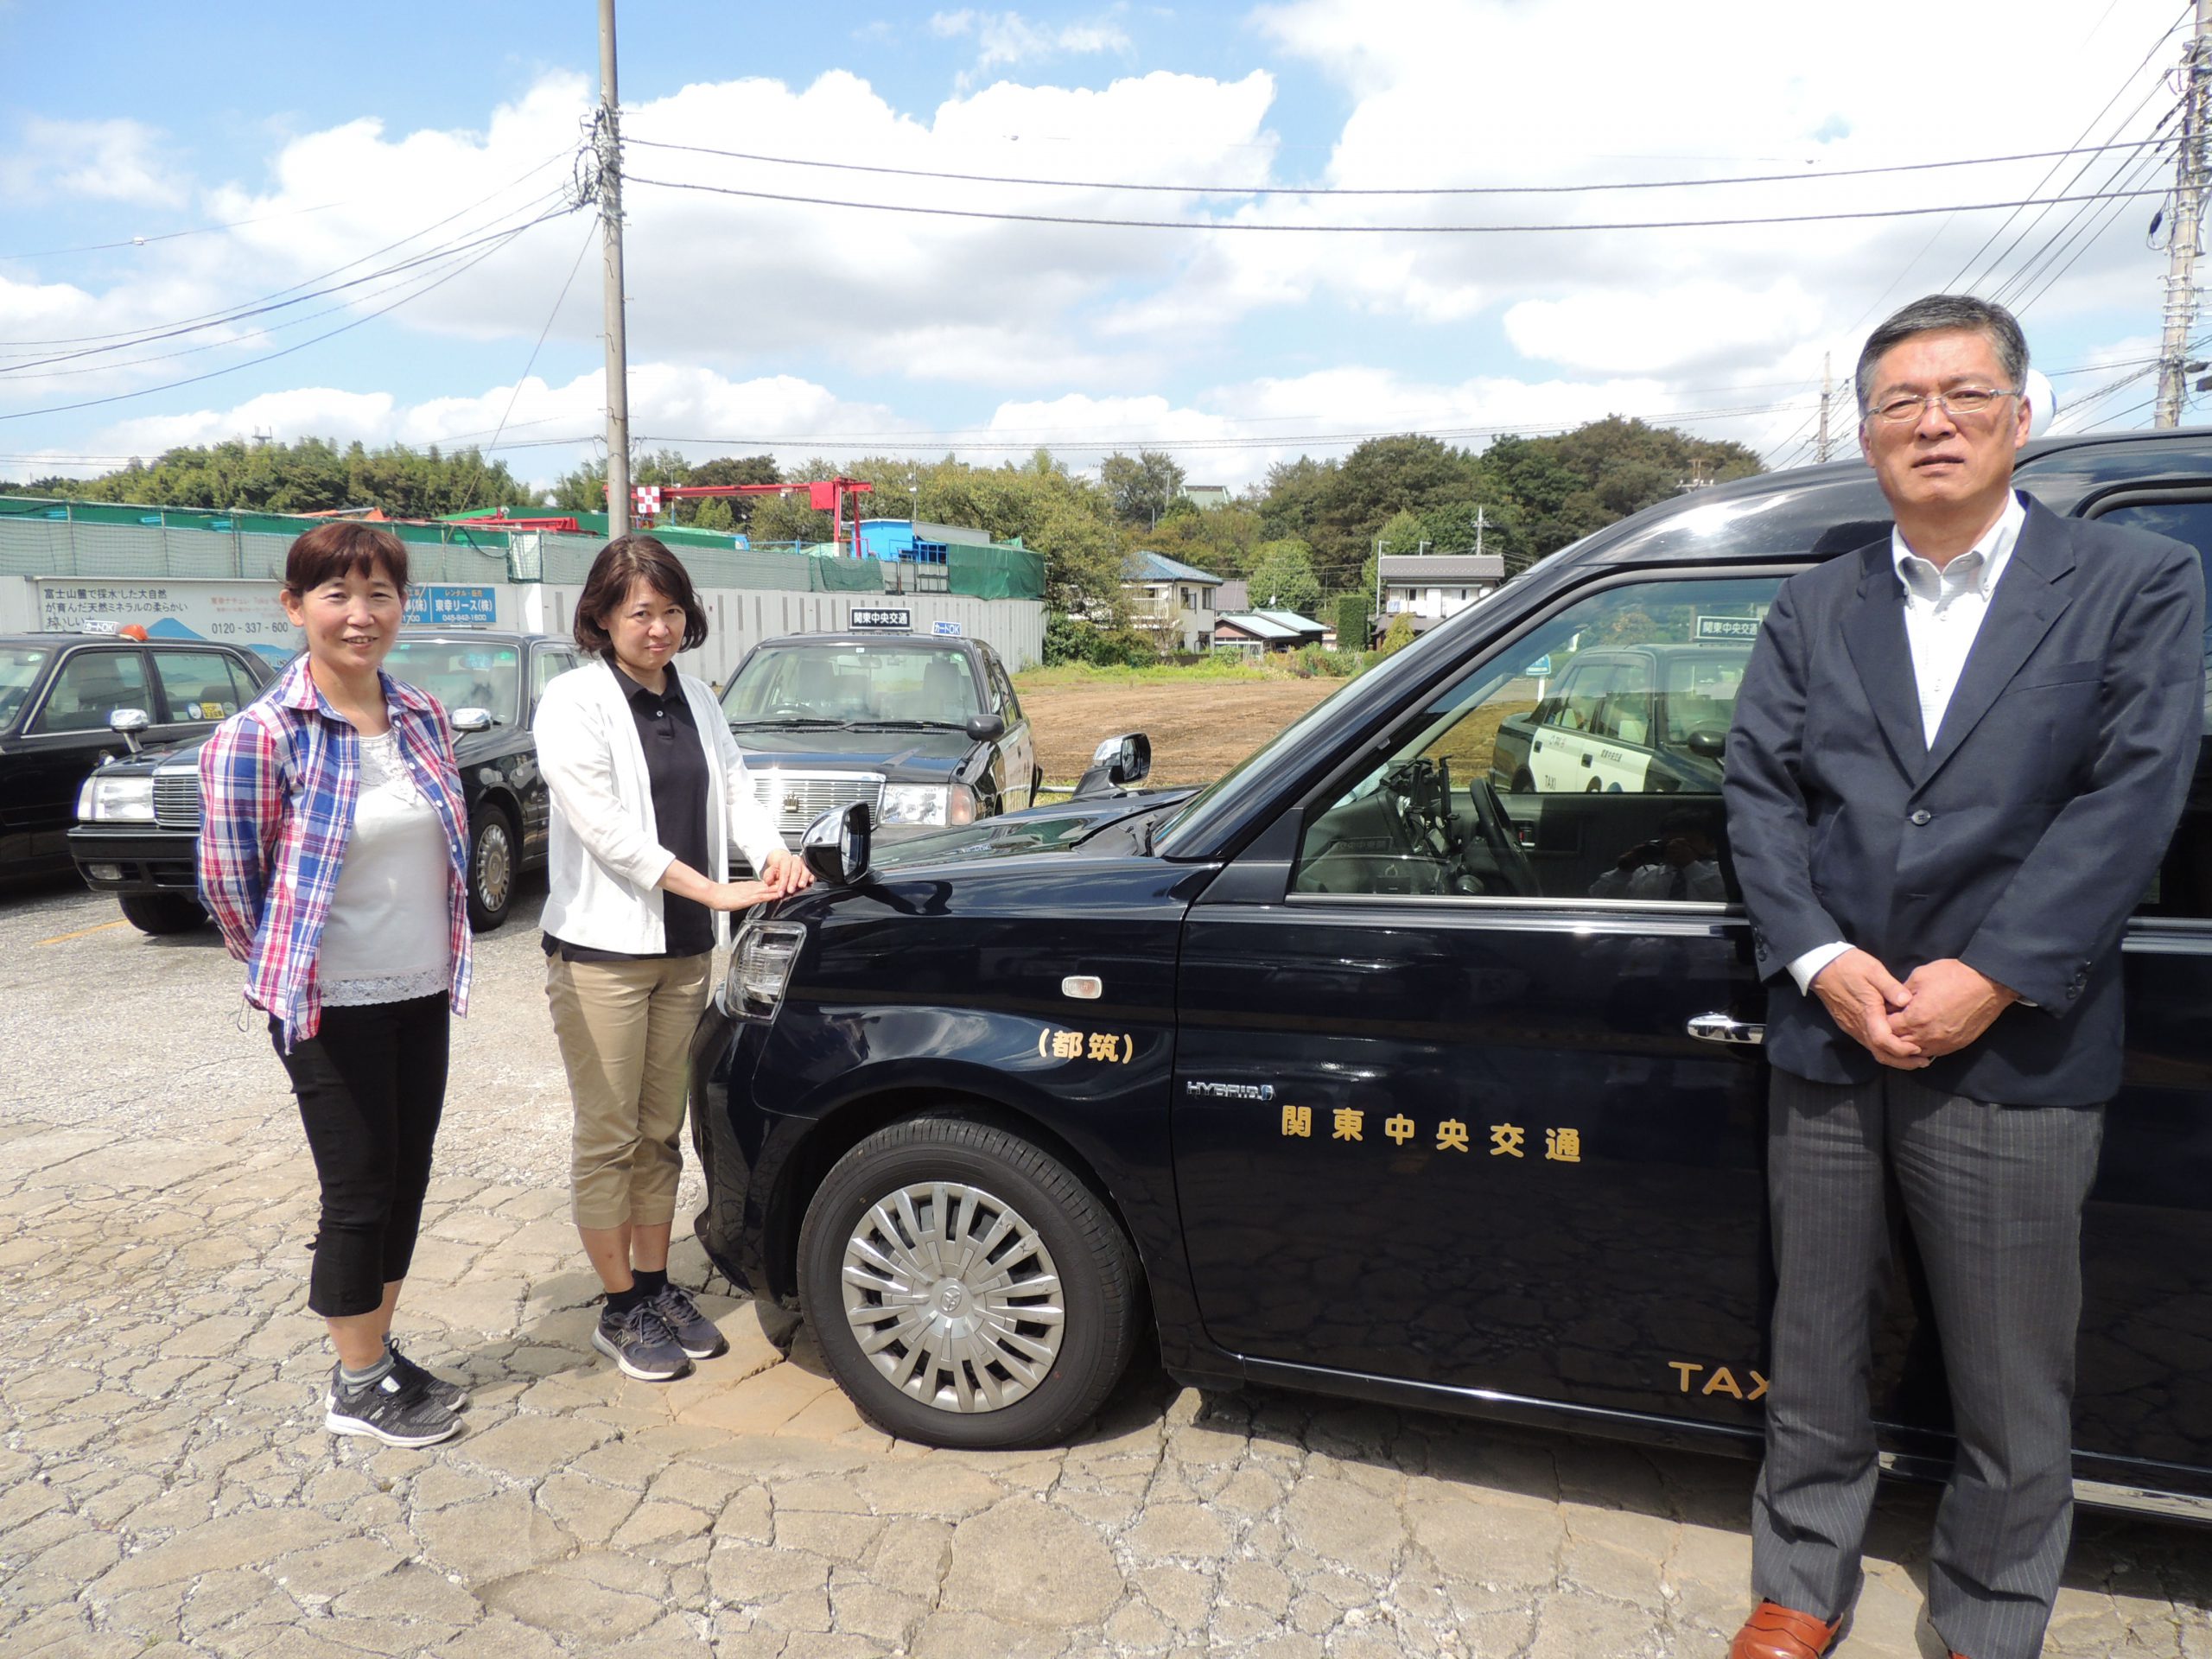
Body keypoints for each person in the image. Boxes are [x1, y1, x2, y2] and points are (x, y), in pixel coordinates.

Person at [1722, 295, 2203, 1659]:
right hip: (1833, 1036)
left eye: (1965, 395)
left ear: (2021, 415)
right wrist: (1817, 959)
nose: (1932, 422)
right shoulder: (1818, 602)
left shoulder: (2130, 584)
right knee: (1814, 1340)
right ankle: (1803, 1580)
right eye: (1901, 402)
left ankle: (1992, 1616)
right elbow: (1757, 794)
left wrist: (1992, 972)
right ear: (1867, 432)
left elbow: (2133, 797)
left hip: (2017, 1043)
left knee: (2008, 1369)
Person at [198, 522, 476, 1449]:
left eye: (380, 595)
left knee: (406, 1176)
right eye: (337, 595)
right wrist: (287, 971)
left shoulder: (423, 716)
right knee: (356, 1189)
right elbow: (230, 885)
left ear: (403, 604)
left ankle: (378, 1351)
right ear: (295, 606)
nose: (361, 616)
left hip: (422, 987)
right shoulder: (255, 737)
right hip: (327, 1004)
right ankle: (356, 1383)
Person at [534, 535, 815, 1382]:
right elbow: (607, 831)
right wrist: (711, 889)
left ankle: (653, 1287)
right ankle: (618, 1309)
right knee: (610, 1135)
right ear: (602, 619)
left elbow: (733, 788)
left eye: (670, 611)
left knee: (662, 1134)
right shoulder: (573, 702)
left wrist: (772, 855)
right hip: (602, 954)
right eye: (638, 613)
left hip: (683, 953)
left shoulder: (695, 695)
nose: (657, 628)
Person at [1588, 806, 1726, 901]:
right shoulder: (1643, 875)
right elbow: (1598, 899)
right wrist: (1623, 871)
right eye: (1671, 841)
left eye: (1689, 841)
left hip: (1706, 942)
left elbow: (1724, 896)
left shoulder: (1724, 873)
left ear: (1711, 845)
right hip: (1645, 941)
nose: (1677, 846)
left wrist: (1690, 865)